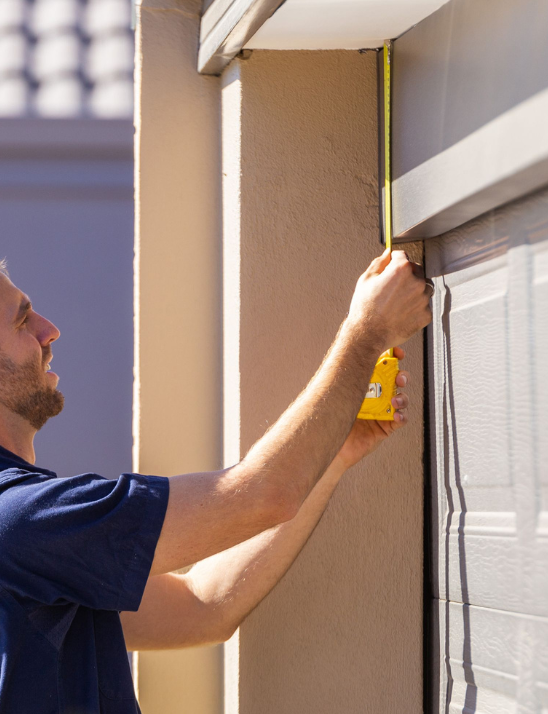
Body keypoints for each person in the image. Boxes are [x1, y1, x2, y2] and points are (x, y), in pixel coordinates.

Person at [0, 250, 431, 713]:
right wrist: (366, 333)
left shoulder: (32, 539)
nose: (49, 330)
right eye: (23, 320)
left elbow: (203, 606)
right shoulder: (22, 522)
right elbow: (262, 495)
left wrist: (332, 455)